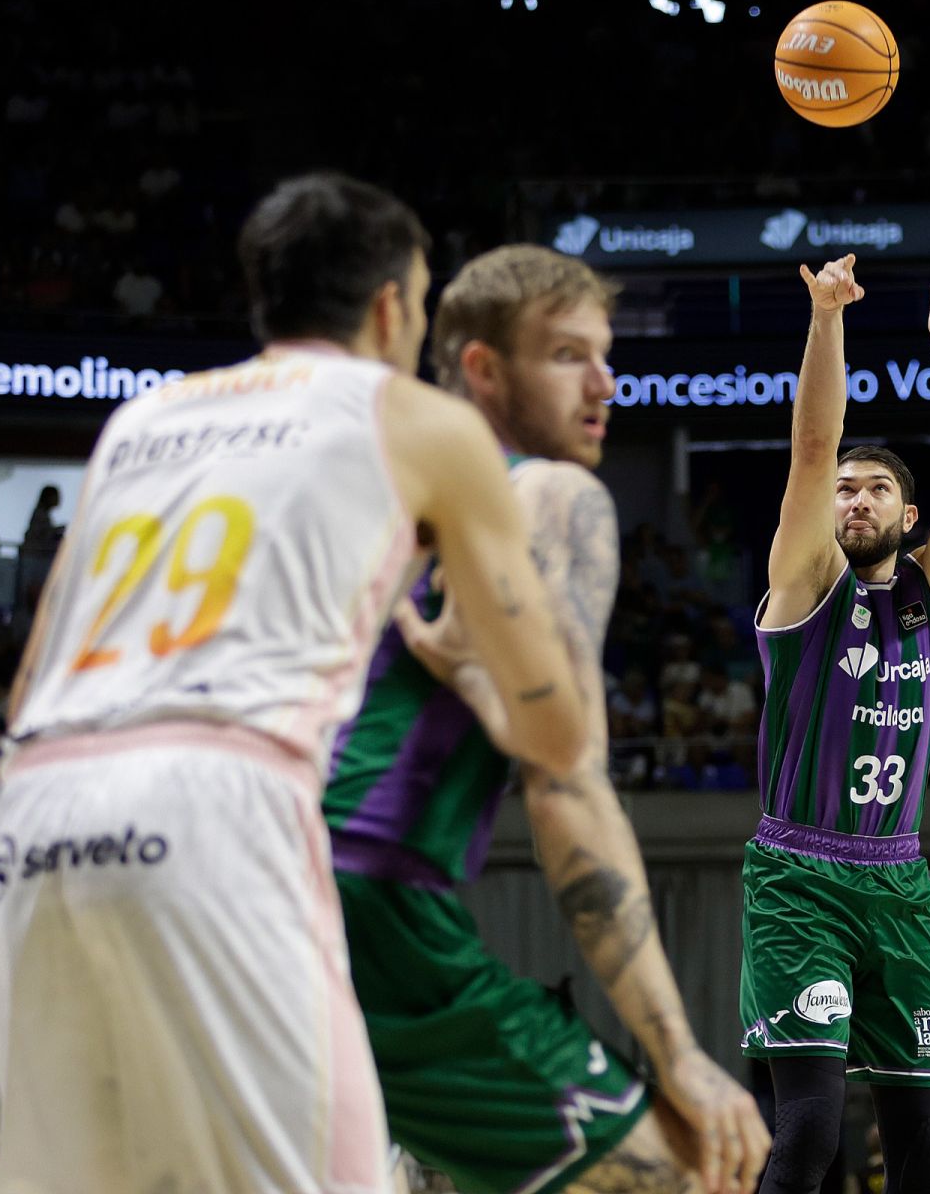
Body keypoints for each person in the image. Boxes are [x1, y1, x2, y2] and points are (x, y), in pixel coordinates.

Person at [0, 173, 588, 1193]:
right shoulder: (424, 422)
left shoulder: (140, 419)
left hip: (31, 814)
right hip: (218, 797)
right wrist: (458, 661)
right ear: (391, 305)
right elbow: (556, 732)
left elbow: (23, 687)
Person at [324, 244, 768, 1194]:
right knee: (694, 1174)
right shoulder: (550, 494)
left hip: (230, 873)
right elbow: (568, 785)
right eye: (568, 355)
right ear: (483, 367)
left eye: (606, 355)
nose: (605, 383)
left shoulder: (363, 493)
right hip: (368, 893)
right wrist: (678, 1053)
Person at [741, 251, 930, 1194]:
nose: (854, 498)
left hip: (899, 880)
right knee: (811, 1134)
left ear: (909, 512)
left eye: (876, 489)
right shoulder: (804, 583)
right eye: (847, 490)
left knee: (923, 1144)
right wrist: (827, 318)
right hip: (800, 877)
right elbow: (814, 450)